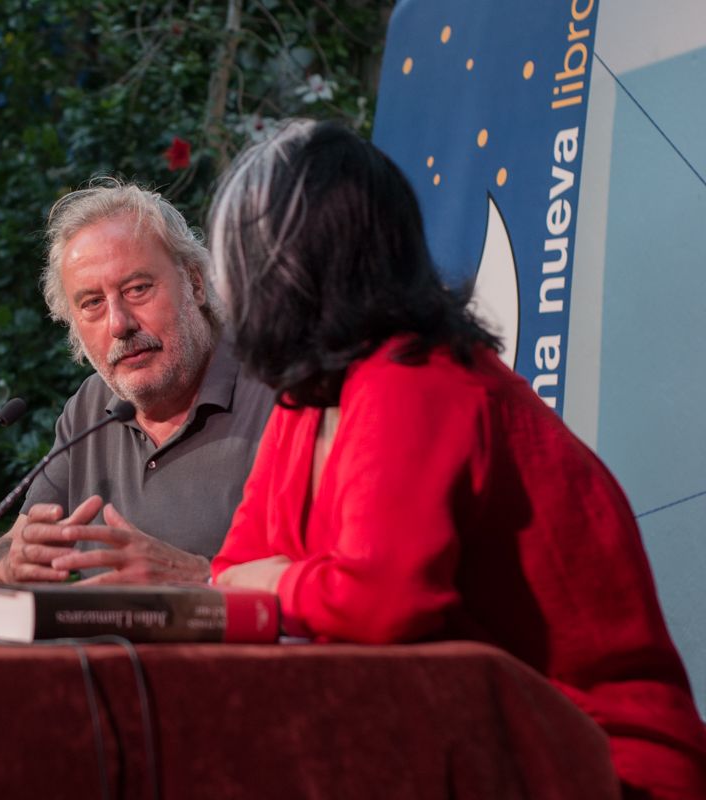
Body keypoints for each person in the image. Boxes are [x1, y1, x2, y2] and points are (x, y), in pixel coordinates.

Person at [206, 118, 706, 799]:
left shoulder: (415, 378)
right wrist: (286, 584)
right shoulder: (306, 403)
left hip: (596, 764)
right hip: (462, 748)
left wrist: (278, 582)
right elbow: (232, 573)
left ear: (298, 265)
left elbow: (380, 604)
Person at [0, 179, 276, 585]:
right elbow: (0, 554)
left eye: (137, 289)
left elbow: (339, 573)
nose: (119, 324)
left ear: (195, 282)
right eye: (92, 303)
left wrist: (200, 578)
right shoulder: (90, 408)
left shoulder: (281, 387)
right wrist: (10, 565)